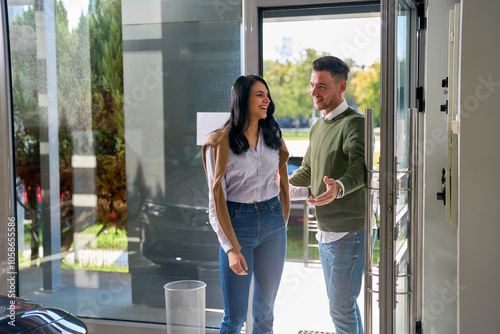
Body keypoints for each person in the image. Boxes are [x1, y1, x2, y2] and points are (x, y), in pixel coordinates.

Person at [202, 74, 290, 334]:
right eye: (259, 95)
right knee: (235, 318)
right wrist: (230, 248)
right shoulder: (219, 143)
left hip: (273, 223)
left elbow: (279, 185)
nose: (267, 100)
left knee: (265, 313)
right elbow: (214, 202)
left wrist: (314, 191)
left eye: (267, 94)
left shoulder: (273, 136)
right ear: (242, 100)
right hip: (237, 223)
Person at [289, 56, 366, 334]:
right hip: (325, 232)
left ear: (341, 87)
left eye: (322, 86)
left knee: (340, 308)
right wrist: (279, 184)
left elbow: (361, 167)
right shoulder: (317, 126)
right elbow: (308, 171)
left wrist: (339, 187)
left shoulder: (354, 123)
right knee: (345, 305)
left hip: (349, 233)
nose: (314, 92)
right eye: (312, 85)